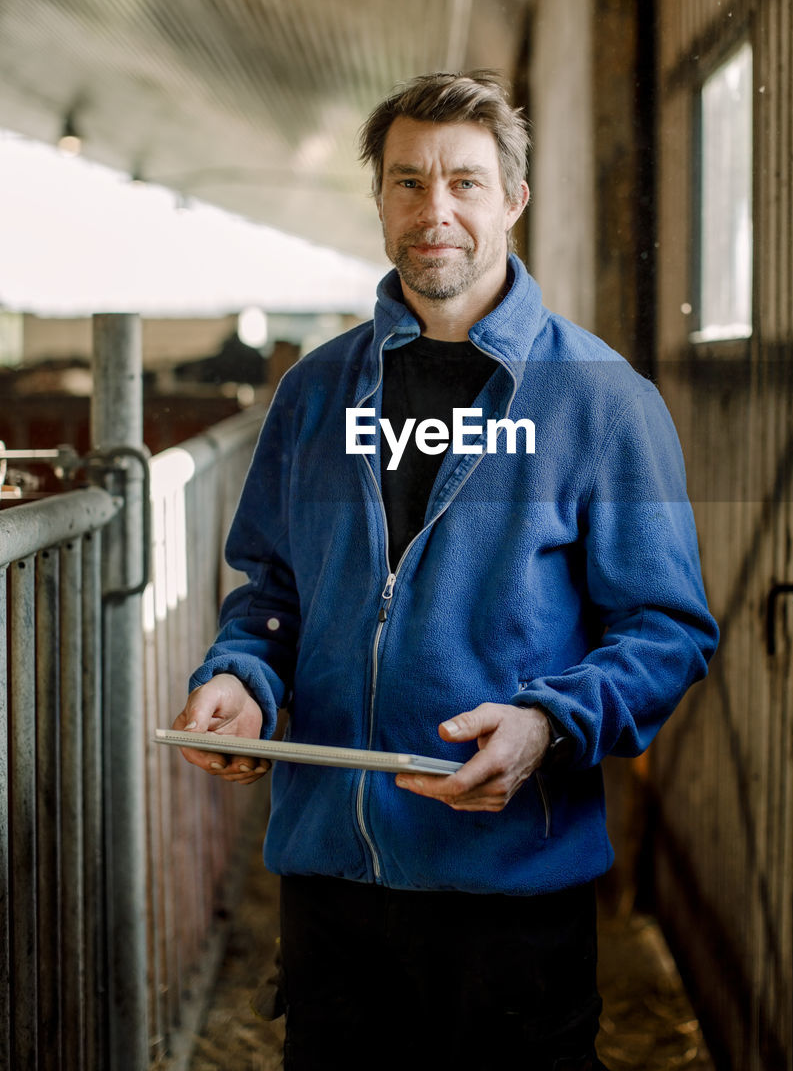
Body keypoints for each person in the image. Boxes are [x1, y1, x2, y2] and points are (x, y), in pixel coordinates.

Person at [173, 70, 718, 1071]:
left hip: (507, 891)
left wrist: (550, 722)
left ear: (512, 198)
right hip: (331, 888)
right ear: (380, 200)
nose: (435, 209)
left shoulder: (599, 398)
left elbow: (666, 631)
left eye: (464, 182)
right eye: (407, 180)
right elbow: (270, 591)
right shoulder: (314, 391)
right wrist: (240, 678)